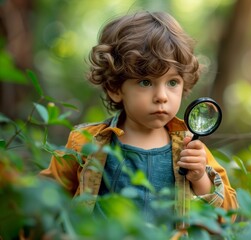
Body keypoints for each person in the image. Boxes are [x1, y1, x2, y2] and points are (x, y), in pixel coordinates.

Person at [39, 10, 238, 229]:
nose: (162, 96)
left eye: (172, 82)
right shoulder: (85, 142)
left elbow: (228, 217)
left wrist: (200, 179)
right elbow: (42, 200)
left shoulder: (191, 149)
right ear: (115, 88)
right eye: (145, 82)